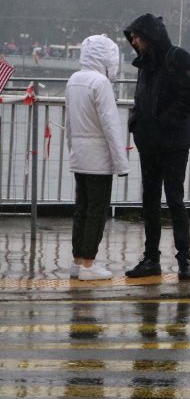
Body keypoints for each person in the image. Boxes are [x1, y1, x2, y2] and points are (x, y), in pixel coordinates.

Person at [123, 14, 190, 280]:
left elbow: (188, 97)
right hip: (150, 142)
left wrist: (160, 123)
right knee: (150, 201)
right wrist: (137, 123)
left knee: (175, 200)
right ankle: (151, 258)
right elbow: (139, 99)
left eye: (136, 36)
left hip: (174, 142)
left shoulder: (178, 58)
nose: (133, 41)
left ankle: (184, 259)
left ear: (149, 36)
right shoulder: (145, 64)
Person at [66, 35, 129, 280]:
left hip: (80, 157)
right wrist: (121, 163)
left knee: (81, 209)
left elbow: (69, 123)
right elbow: (110, 125)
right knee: (97, 211)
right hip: (99, 158)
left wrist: (72, 150)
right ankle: (89, 265)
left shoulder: (74, 80)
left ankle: (77, 260)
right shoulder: (101, 83)